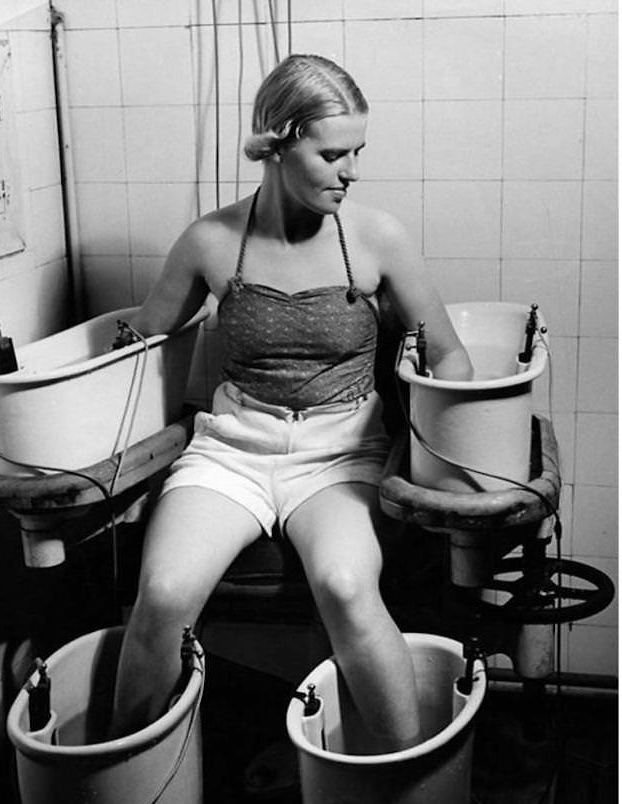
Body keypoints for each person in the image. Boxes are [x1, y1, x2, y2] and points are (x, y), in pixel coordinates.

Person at [110, 54, 472, 749]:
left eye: (357, 151)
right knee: (159, 596)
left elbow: (450, 352)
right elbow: (141, 335)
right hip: (232, 449)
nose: (351, 170)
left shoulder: (376, 238)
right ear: (278, 143)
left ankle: (406, 785)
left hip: (340, 453)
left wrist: (434, 438)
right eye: (333, 153)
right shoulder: (210, 241)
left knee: (344, 585)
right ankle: (122, 799)